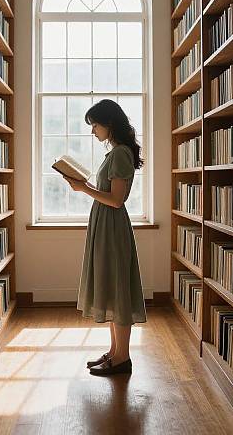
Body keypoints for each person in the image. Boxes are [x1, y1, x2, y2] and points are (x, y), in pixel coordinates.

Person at [63, 99, 146, 376]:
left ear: (109, 124)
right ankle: (114, 352)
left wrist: (83, 188)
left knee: (119, 291)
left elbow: (116, 200)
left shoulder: (121, 154)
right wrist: (84, 187)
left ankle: (122, 358)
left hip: (112, 226)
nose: (93, 131)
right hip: (105, 225)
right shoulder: (115, 153)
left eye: (95, 125)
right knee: (111, 288)